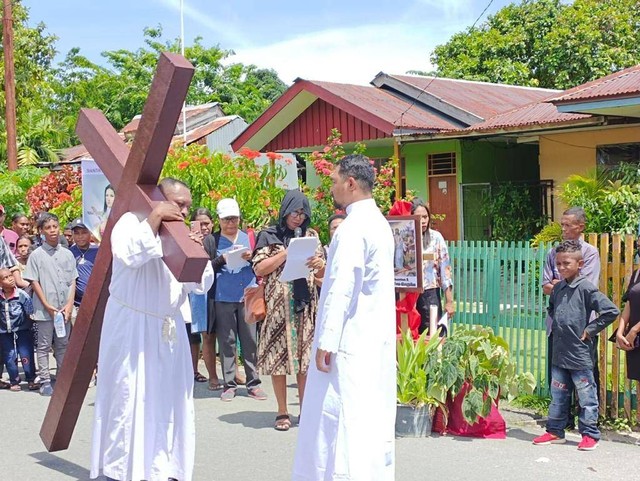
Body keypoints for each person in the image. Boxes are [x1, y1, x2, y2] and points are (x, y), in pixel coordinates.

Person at [90, 178, 214, 481]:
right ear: (158, 198)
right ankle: (121, 472)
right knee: (129, 399)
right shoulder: (130, 222)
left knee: (169, 401)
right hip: (131, 329)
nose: (183, 211)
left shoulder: (183, 235)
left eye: (187, 204)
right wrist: (156, 218)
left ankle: (164, 469)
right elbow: (129, 254)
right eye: (178, 204)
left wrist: (199, 253)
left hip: (168, 330)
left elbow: (200, 285)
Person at [292, 154, 396, 480]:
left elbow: (341, 286)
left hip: (349, 342)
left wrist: (327, 340)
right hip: (371, 340)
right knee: (369, 419)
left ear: (351, 183)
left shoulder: (352, 228)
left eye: (335, 180)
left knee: (337, 420)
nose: (332, 186)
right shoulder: (379, 222)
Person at [533, 240, 618, 451]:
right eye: (558, 264)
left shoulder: (586, 288)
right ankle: (555, 431)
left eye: (566, 264)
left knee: (587, 396)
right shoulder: (558, 288)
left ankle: (590, 434)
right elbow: (552, 308)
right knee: (558, 396)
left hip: (579, 355)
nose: (561, 268)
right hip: (559, 354)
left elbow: (610, 311)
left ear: (580, 264)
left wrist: (589, 330)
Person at [252, 189, 325, 431]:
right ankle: (282, 411)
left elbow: (322, 275)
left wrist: (320, 264)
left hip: (305, 306)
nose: (299, 218)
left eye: (303, 213)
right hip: (278, 307)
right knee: (278, 360)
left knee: (305, 360)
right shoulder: (268, 235)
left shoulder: (311, 236)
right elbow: (260, 269)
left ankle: (306, 410)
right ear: (285, 211)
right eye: (295, 212)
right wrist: (286, 252)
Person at [542, 207, 600, 428]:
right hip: (557, 324)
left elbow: (585, 287)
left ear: (581, 227)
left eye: (568, 225)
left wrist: (559, 284)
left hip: (582, 326)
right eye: (562, 224)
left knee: (586, 376)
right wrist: (563, 283)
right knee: (557, 375)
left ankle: (590, 423)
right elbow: (546, 286)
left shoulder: (590, 253)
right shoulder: (553, 252)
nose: (563, 229)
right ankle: (561, 421)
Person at [213, 198, 266, 402]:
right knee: (227, 341)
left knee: (250, 340)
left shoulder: (249, 238)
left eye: (234, 219)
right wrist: (222, 259)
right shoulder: (214, 241)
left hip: (247, 294)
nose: (231, 223)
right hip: (223, 295)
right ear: (219, 219)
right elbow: (207, 267)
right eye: (226, 219)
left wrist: (251, 257)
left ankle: (253, 382)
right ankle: (229, 384)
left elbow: (261, 262)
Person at [23, 213, 76, 396]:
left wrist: (69, 305)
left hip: (64, 310)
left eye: (55, 226)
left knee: (63, 344)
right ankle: (45, 380)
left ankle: (62, 378)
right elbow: (34, 282)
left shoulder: (67, 254)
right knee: (44, 345)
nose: (52, 230)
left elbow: (72, 281)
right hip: (44, 311)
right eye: (48, 227)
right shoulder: (36, 255)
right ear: (41, 231)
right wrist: (46, 304)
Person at [411, 198, 454, 334]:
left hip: (430, 294)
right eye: (418, 217)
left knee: (433, 334)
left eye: (425, 216)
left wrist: (449, 301)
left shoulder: (436, 238)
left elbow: (445, 271)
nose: (423, 220)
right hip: (408, 297)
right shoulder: (406, 238)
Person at [191, 208, 223, 390]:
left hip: (218, 292)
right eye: (199, 223)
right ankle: (212, 376)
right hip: (198, 293)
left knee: (225, 334)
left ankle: (233, 373)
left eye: (206, 223)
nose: (204, 227)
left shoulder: (218, 239)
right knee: (206, 335)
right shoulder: (189, 242)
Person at [0, 267, 38, 391]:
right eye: (5, 278)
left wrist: (30, 324)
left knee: (26, 353)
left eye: (10, 276)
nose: (10, 279)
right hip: (4, 331)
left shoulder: (21, 295)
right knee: (10, 355)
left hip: (23, 329)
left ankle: (31, 378)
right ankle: (14, 380)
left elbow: (29, 311)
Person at [615, 236, 640, 381]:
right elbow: (629, 304)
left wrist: (634, 329)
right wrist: (620, 331)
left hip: (634, 333)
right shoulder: (636, 275)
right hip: (634, 340)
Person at [68, 218, 99, 323]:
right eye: (76, 233)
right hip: (77, 305)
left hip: (97, 303)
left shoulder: (98, 251)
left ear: (90, 233)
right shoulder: (69, 253)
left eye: (84, 232)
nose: (80, 236)